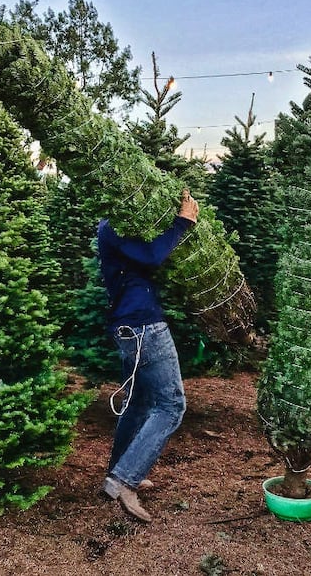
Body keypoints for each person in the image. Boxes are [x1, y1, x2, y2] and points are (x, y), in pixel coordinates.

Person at [97, 188, 199, 522]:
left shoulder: (113, 226)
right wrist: (182, 223)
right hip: (144, 327)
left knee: (139, 402)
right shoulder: (114, 226)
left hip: (131, 326)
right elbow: (153, 255)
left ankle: (118, 471)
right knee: (172, 406)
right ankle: (125, 480)